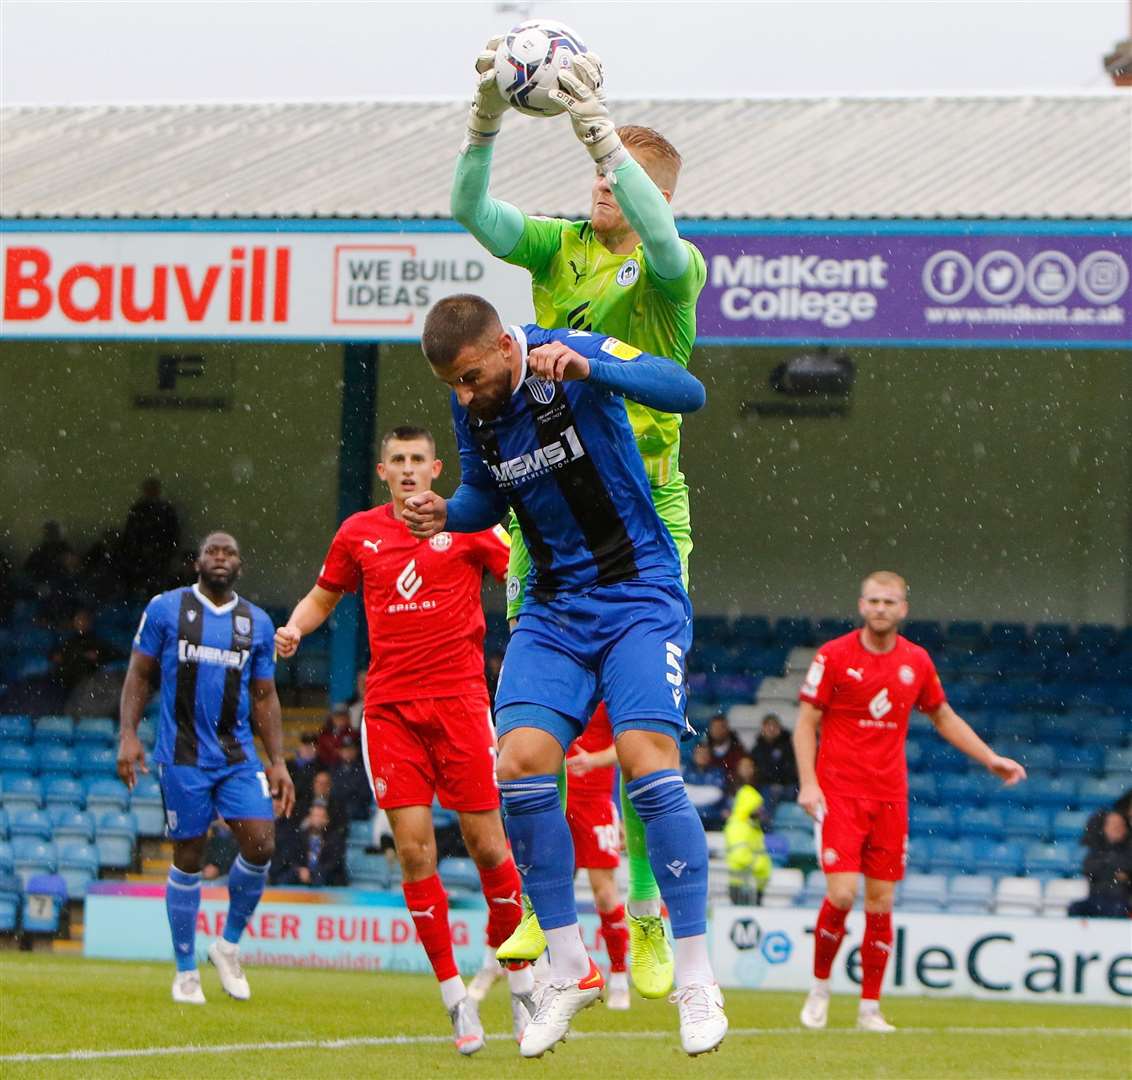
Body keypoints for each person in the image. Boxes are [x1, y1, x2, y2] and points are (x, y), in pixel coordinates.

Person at [404, 294, 725, 1058]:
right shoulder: (474, 405)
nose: (464, 393)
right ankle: (571, 966)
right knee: (517, 761)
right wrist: (447, 512)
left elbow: (689, 393)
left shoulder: (569, 353)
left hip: (637, 591)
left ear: (504, 348)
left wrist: (596, 369)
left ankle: (696, 978)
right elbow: (487, 493)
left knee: (649, 759)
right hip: (554, 604)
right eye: (452, 383)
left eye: (473, 376)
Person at [453, 42, 707, 1001]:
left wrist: (606, 132)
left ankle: (644, 911)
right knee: (534, 724)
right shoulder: (556, 245)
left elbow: (665, 240)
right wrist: (484, 115)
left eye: (621, 180)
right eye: (598, 175)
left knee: (644, 727)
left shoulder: (670, 271)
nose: (604, 189)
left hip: (648, 517)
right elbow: (472, 214)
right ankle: (538, 909)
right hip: (548, 511)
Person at [274, 425, 529, 1056]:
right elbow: (322, 595)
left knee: (489, 847)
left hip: (463, 707)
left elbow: (523, 573)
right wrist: (294, 628)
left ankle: (524, 989)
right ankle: (454, 1000)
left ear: (436, 468)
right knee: (415, 854)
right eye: (399, 461)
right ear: (383, 472)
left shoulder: (469, 524)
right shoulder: (358, 533)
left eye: (419, 460)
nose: (410, 470)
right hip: (390, 713)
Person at [793, 571, 1026, 1033]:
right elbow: (805, 722)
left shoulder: (916, 662)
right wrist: (808, 783)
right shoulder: (834, 655)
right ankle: (820, 987)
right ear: (861, 605)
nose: (881, 608)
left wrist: (990, 759)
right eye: (874, 601)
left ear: (904, 610)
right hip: (839, 791)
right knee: (841, 894)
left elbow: (942, 715)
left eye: (890, 601)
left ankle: (870, 1009)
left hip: (889, 797)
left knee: (880, 903)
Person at [117, 531, 296, 1006]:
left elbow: (263, 695)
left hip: (237, 756)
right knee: (190, 857)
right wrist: (129, 735)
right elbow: (139, 673)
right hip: (182, 756)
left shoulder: (257, 623)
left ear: (240, 564)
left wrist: (277, 760)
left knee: (261, 842)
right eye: (212, 551)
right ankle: (184, 970)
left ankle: (227, 945)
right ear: (197, 561)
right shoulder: (165, 609)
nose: (220, 558)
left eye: (229, 552)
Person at [563, 704, 630, 1010]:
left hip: (596, 802)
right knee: (552, 890)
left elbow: (629, 746)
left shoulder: (612, 692)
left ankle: (618, 976)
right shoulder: (566, 682)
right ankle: (563, 971)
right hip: (559, 798)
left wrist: (593, 760)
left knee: (604, 894)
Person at [724, 756, 772, 905]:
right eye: (757, 806)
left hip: (755, 886)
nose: (760, 810)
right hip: (740, 885)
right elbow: (740, 857)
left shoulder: (754, 828)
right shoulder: (737, 826)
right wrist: (758, 865)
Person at [121, 477, 180, 592]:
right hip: (142, 556)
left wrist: (166, 551)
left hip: (159, 556)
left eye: (153, 489)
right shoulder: (139, 509)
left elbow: (173, 533)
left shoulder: (165, 510)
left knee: (157, 585)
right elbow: (131, 533)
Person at [1069, 810, 1132, 918]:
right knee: (1075, 908)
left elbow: (1127, 870)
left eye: (1119, 824)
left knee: (1118, 908)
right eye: (1112, 824)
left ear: (1125, 828)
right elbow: (1088, 869)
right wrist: (1115, 871)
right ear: (1104, 827)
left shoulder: (1129, 849)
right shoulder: (1095, 848)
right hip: (1095, 897)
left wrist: (1106, 867)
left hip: (1121, 899)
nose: (1116, 828)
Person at [271, 799, 347, 887]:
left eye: (320, 816)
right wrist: (300, 870)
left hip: (325, 876)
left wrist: (313, 873)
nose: (317, 819)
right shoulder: (299, 836)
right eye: (314, 816)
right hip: (301, 874)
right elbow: (291, 858)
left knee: (323, 879)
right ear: (309, 818)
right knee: (284, 877)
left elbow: (333, 863)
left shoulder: (335, 839)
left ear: (327, 820)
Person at [752, 713, 799, 814]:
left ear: (780, 728)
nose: (771, 729)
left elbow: (791, 769)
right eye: (768, 726)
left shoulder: (789, 746)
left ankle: (765, 822)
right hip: (766, 787)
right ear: (763, 728)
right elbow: (758, 772)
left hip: (788, 786)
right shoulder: (757, 749)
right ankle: (764, 822)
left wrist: (779, 781)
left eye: (774, 726)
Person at [330, 734, 374, 822]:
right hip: (337, 814)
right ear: (340, 751)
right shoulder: (333, 769)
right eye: (345, 749)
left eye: (351, 749)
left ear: (356, 751)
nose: (348, 752)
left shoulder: (364, 770)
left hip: (358, 815)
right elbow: (333, 792)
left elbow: (364, 795)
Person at [705, 713, 748, 795]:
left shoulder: (738, 751)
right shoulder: (703, 749)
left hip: (732, 790)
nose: (717, 731)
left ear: (727, 729)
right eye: (714, 727)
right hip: (708, 790)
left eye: (721, 727)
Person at [287, 732, 322, 817]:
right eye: (305, 745)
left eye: (312, 746)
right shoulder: (288, 765)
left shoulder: (321, 767)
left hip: (309, 809)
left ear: (317, 748)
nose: (308, 748)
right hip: (289, 807)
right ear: (300, 747)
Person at [316, 703, 353, 768]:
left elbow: (355, 753)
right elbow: (320, 752)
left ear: (347, 717)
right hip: (326, 768)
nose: (340, 718)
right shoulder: (324, 733)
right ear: (331, 717)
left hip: (348, 768)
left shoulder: (353, 733)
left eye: (343, 715)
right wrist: (338, 753)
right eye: (337, 716)